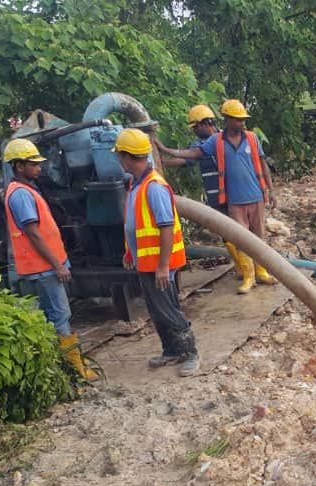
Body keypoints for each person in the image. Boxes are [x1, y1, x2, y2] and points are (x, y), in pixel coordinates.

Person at [154, 99, 277, 294]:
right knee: (233, 237)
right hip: (222, 197)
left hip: (247, 195)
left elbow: (261, 165)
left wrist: (270, 190)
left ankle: (259, 271)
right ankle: (247, 274)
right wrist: (164, 156)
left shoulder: (248, 139)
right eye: (237, 119)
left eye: (196, 126)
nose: (241, 123)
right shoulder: (212, 143)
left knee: (256, 236)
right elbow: (190, 155)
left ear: (205, 123)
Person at [2, 138, 98, 381]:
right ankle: (76, 371)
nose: (39, 167)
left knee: (50, 316)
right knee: (59, 316)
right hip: (44, 267)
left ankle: (61, 366)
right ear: (18, 166)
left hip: (42, 266)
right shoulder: (21, 194)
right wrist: (56, 264)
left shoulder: (25, 190)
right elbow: (33, 233)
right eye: (33, 164)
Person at [113, 128, 200, 377]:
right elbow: (136, 224)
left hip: (159, 264)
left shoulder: (154, 187)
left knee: (168, 308)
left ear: (128, 157)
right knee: (156, 309)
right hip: (145, 262)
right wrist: (130, 252)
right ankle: (171, 350)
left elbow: (165, 227)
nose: (119, 160)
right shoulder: (136, 184)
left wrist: (163, 266)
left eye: (120, 156)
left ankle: (191, 352)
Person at [154, 104, 243, 272]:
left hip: (234, 194)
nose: (194, 131)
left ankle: (250, 268)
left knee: (242, 230)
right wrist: (163, 162)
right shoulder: (198, 144)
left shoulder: (224, 139)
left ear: (205, 123)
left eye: (195, 127)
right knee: (226, 232)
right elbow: (187, 159)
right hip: (215, 197)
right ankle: (241, 268)